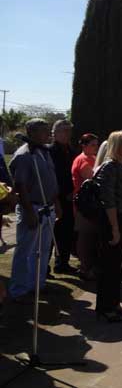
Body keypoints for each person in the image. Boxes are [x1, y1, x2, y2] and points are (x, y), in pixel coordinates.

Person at [8, 119, 63, 301]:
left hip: (48, 206)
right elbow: (20, 185)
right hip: (32, 207)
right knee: (26, 249)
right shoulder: (24, 155)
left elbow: (51, 179)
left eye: (48, 130)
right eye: (44, 131)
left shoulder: (44, 151)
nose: (48, 134)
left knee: (43, 248)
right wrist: (29, 211)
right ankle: (18, 289)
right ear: (31, 132)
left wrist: (57, 203)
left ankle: (37, 284)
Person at [93, 131, 122, 322]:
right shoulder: (109, 167)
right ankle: (105, 306)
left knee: (116, 265)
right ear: (115, 145)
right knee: (109, 265)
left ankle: (114, 302)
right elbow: (108, 200)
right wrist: (115, 228)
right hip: (113, 220)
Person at [48, 120, 77, 274]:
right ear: (55, 133)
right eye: (64, 130)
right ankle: (44, 268)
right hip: (54, 197)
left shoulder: (73, 151)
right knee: (49, 236)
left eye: (69, 130)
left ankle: (62, 263)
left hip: (70, 198)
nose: (67, 134)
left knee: (66, 233)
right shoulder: (49, 151)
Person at [72, 133, 99, 280]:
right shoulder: (83, 160)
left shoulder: (92, 158)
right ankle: (84, 267)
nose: (96, 147)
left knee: (90, 237)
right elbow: (93, 179)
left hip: (91, 205)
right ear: (84, 145)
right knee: (85, 237)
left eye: (96, 144)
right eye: (92, 144)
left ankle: (89, 265)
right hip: (85, 205)